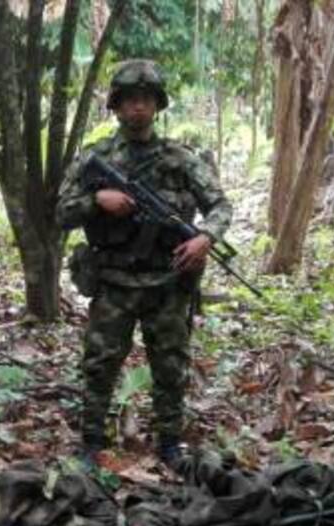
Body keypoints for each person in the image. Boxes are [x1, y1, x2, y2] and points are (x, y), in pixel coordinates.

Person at [57, 59, 232, 469]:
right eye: (130, 100)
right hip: (113, 283)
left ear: (157, 105)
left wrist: (205, 238)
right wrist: (97, 201)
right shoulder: (95, 157)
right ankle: (91, 443)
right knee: (100, 366)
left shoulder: (180, 159)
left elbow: (220, 206)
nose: (138, 107)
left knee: (170, 367)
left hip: (167, 284)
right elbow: (61, 212)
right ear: (116, 106)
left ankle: (170, 443)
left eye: (146, 99)